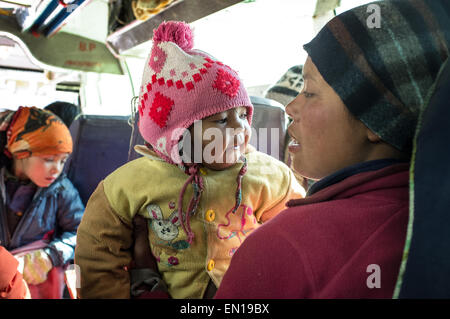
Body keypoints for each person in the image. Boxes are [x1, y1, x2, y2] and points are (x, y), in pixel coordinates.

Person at [214, 0, 450, 299]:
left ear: (376, 121)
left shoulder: (282, 247)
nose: (290, 107)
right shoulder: (431, 223)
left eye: (310, 92)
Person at [75, 20, 304, 299]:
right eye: (221, 120)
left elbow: (299, 234)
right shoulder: (128, 184)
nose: (241, 129)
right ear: (177, 134)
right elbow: (96, 254)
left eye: (243, 115)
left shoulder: (269, 174)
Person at [0, 106, 84, 299]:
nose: (57, 169)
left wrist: (50, 255)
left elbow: (80, 232)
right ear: (21, 153)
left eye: (63, 161)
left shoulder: (61, 190)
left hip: (39, 279)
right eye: (49, 159)